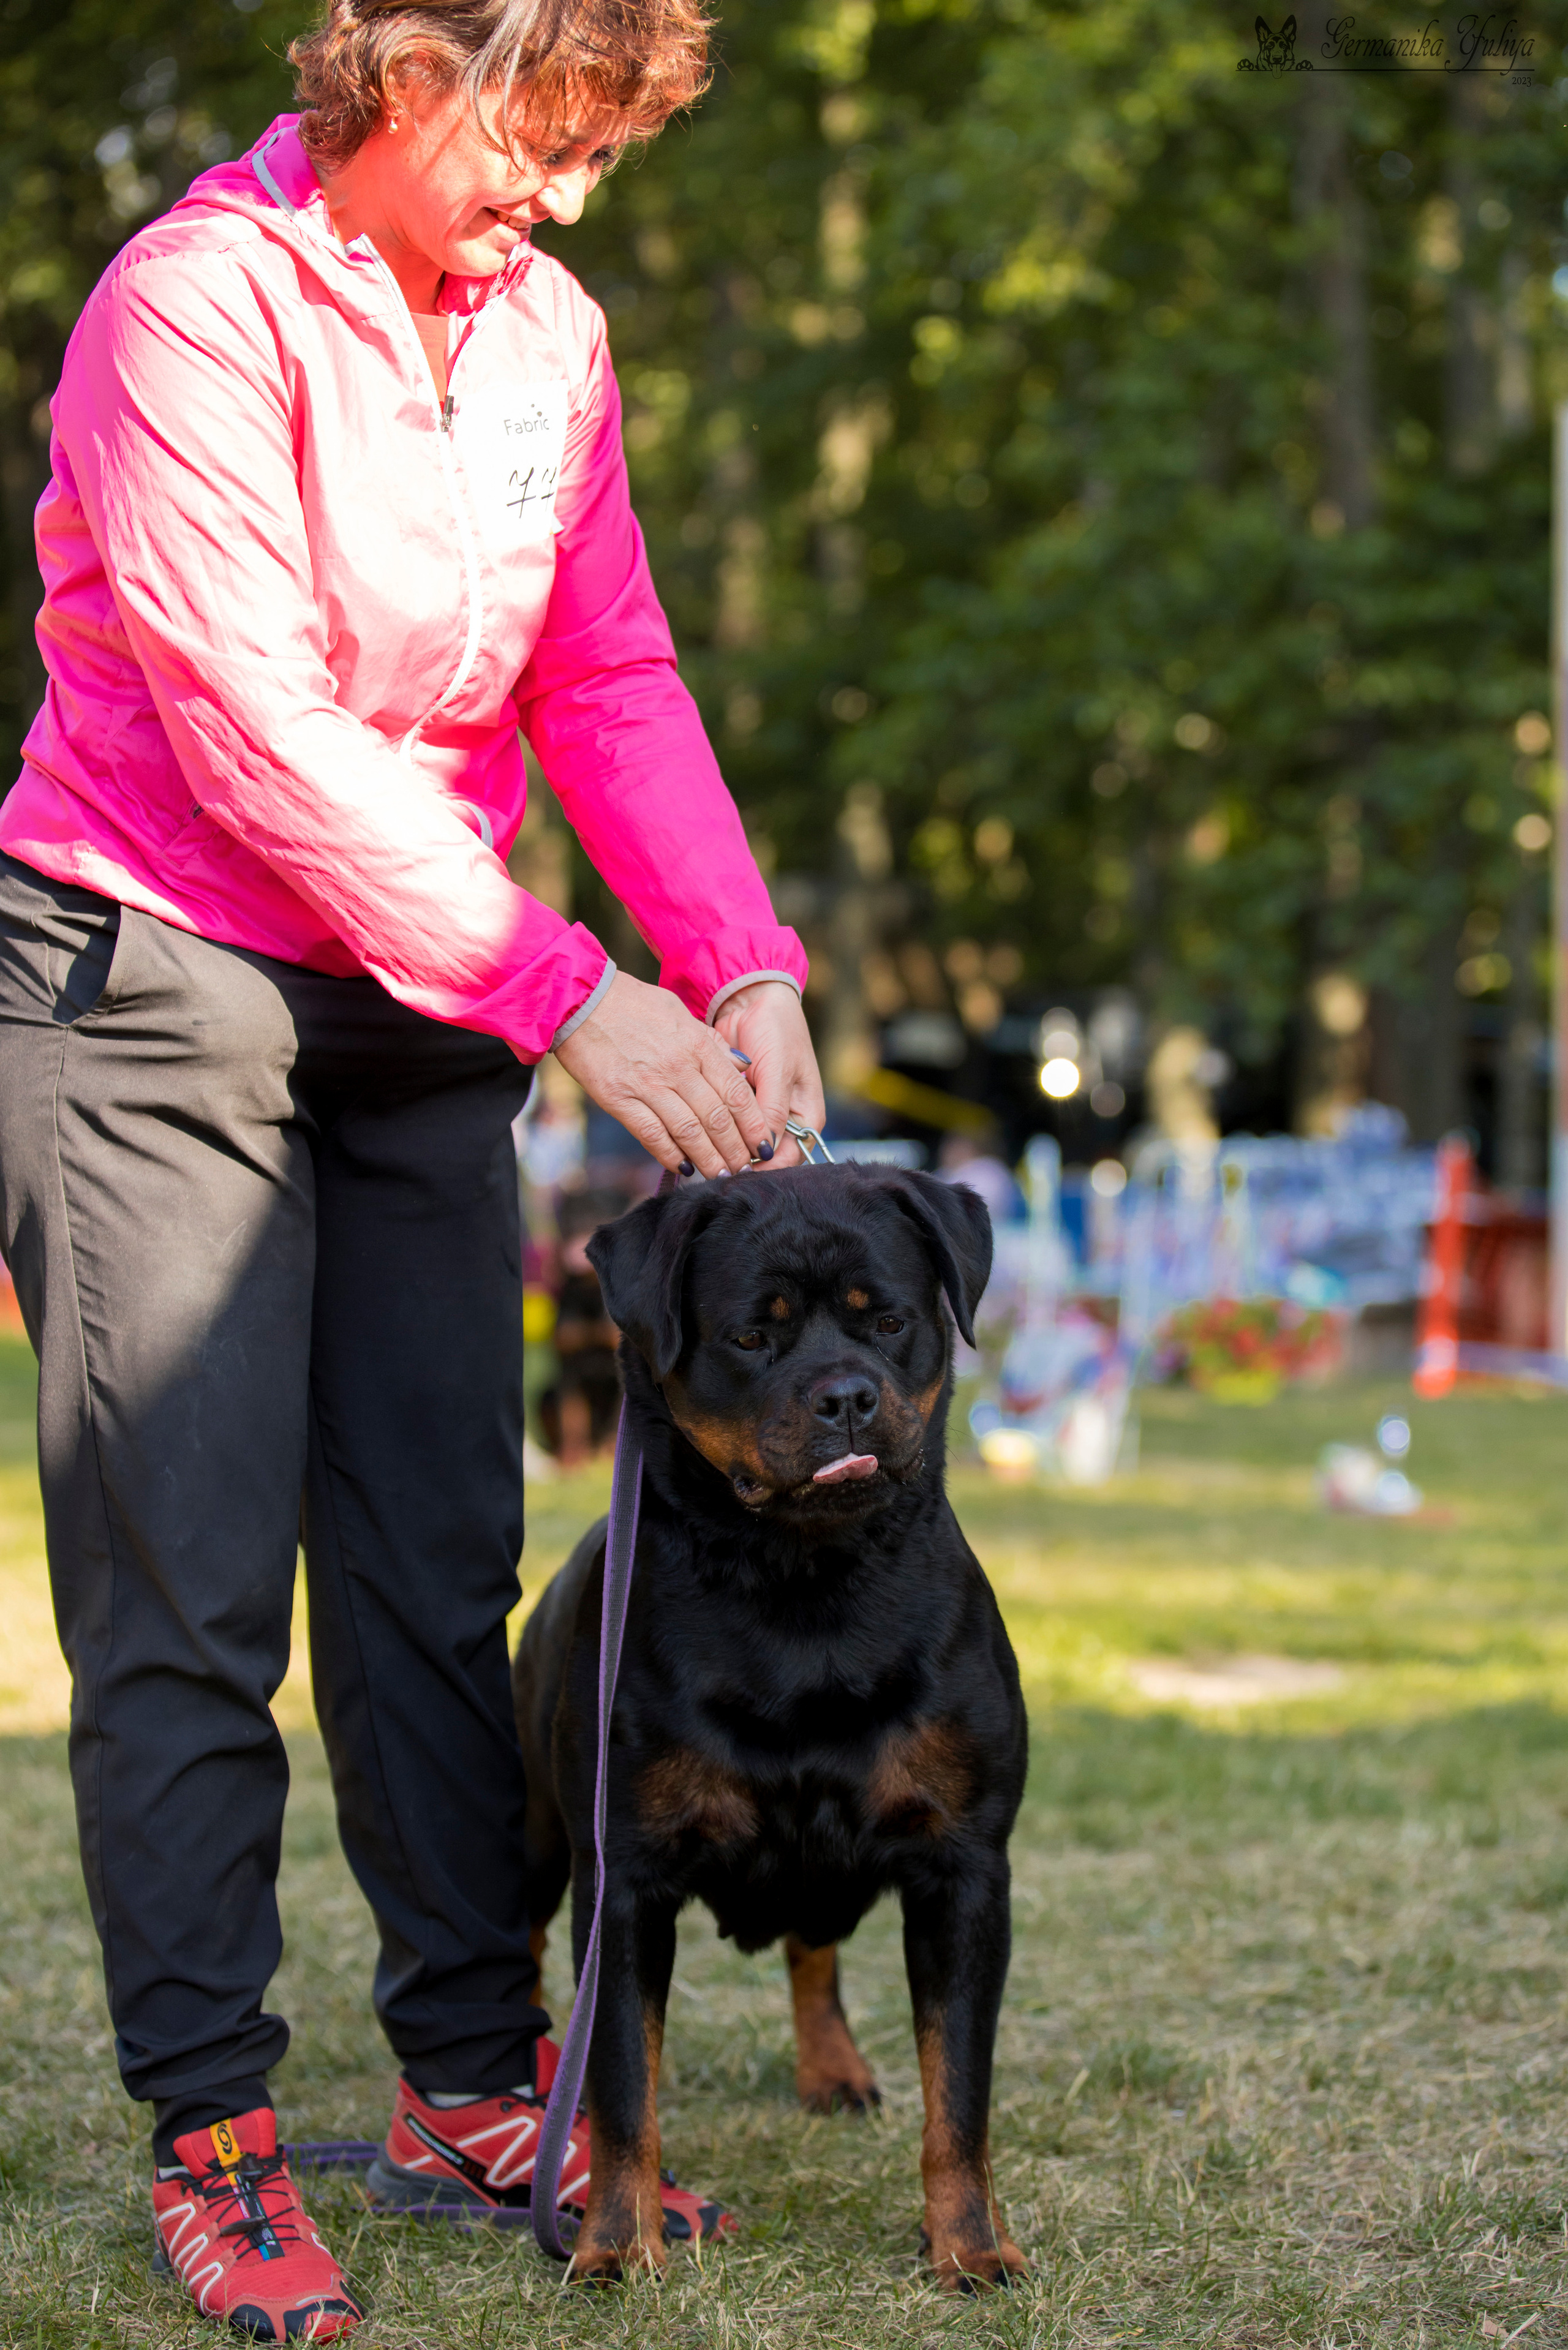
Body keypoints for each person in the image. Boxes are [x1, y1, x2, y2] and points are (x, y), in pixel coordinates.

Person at [0, 0, 824, 2333]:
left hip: (425, 1006)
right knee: (186, 1591)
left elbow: (612, 674)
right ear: (396, 73)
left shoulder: (551, 335)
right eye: (537, 137)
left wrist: (737, 959)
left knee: (438, 1561)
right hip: (154, 979)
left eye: (597, 158)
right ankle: (218, 2136)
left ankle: (475, 2079)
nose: (564, 197)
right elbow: (253, 734)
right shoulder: (187, 307)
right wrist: (585, 994)